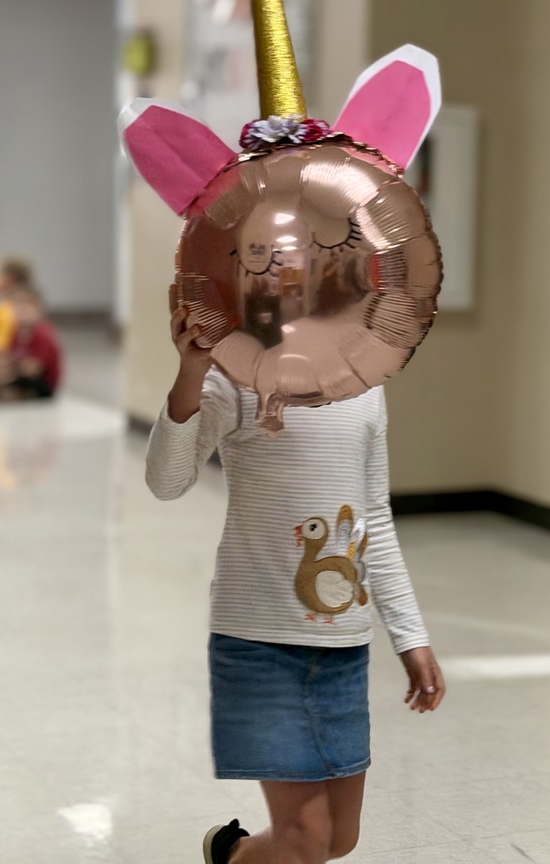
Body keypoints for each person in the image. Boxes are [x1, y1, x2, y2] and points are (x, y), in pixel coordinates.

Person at [145, 306, 446, 864]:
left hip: (343, 650)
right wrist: (191, 372)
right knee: (305, 839)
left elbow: (373, 516)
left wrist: (411, 635)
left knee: (337, 839)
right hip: (260, 643)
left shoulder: (365, 381)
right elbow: (166, 481)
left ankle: (232, 856)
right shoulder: (238, 372)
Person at [0, 287, 62, 400]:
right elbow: (5, 353)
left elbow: (32, 369)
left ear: (38, 310)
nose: (22, 312)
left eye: (27, 307)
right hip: (20, 372)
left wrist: (1, 371)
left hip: (41, 381)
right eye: (18, 307)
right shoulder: (16, 331)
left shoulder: (43, 334)